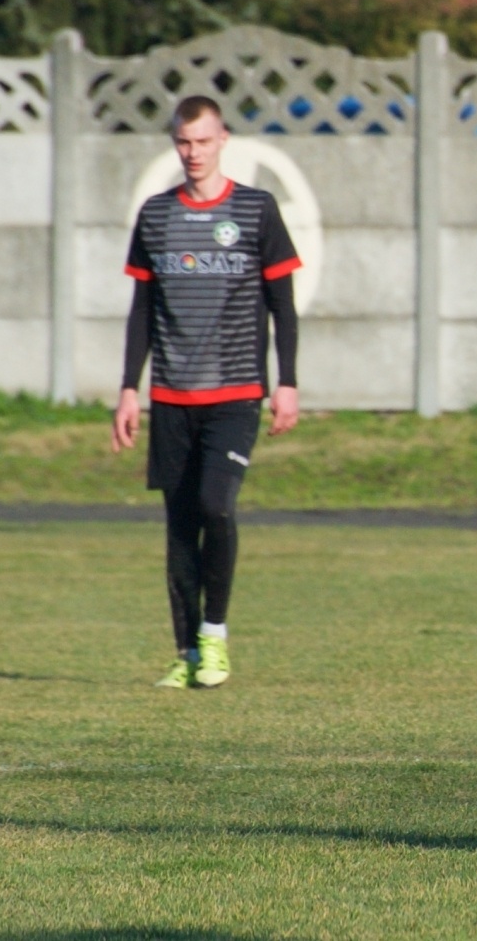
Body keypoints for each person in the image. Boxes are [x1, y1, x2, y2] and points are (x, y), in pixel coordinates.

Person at [112, 95, 302, 689]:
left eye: (203, 141)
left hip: (236, 392)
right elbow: (142, 308)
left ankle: (214, 637)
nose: (193, 153)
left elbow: (283, 305)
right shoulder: (156, 214)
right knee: (179, 524)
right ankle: (185, 653)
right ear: (176, 144)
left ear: (223, 140)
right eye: (183, 143)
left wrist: (287, 382)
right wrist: (127, 390)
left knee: (217, 506)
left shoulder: (255, 209)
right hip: (170, 397)